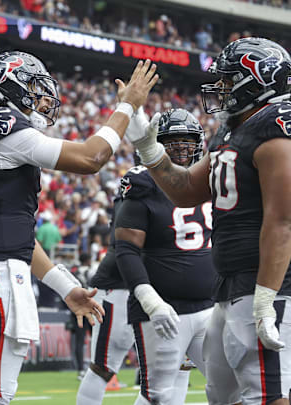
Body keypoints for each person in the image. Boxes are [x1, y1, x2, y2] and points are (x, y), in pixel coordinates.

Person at [0, 51, 157, 405]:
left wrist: (66, 289)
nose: (43, 97)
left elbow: (18, 238)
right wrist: (128, 106)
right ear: (10, 88)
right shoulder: (4, 126)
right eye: (33, 87)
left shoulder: (0, 136)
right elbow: (92, 157)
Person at [126, 37, 291, 405]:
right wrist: (148, 148)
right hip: (229, 287)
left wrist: (265, 298)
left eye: (228, 80)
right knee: (223, 395)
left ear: (256, 81)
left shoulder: (280, 124)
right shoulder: (234, 130)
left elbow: (282, 221)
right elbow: (184, 190)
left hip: (264, 283)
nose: (221, 89)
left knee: (266, 394)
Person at [114, 108, 216, 405]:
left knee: (227, 384)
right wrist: (149, 300)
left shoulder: (207, 181)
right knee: (158, 395)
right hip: (163, 310)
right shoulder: (144, 183)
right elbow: (127, 249)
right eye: (173, 141)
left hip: (208, 307)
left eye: (188, 141)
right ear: (157, 143)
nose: (182, 149)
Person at [76, 163, 133, 404]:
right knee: (103, 367)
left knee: (168, 371)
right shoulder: (138, 186)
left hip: (160, 287)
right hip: (119, 287)